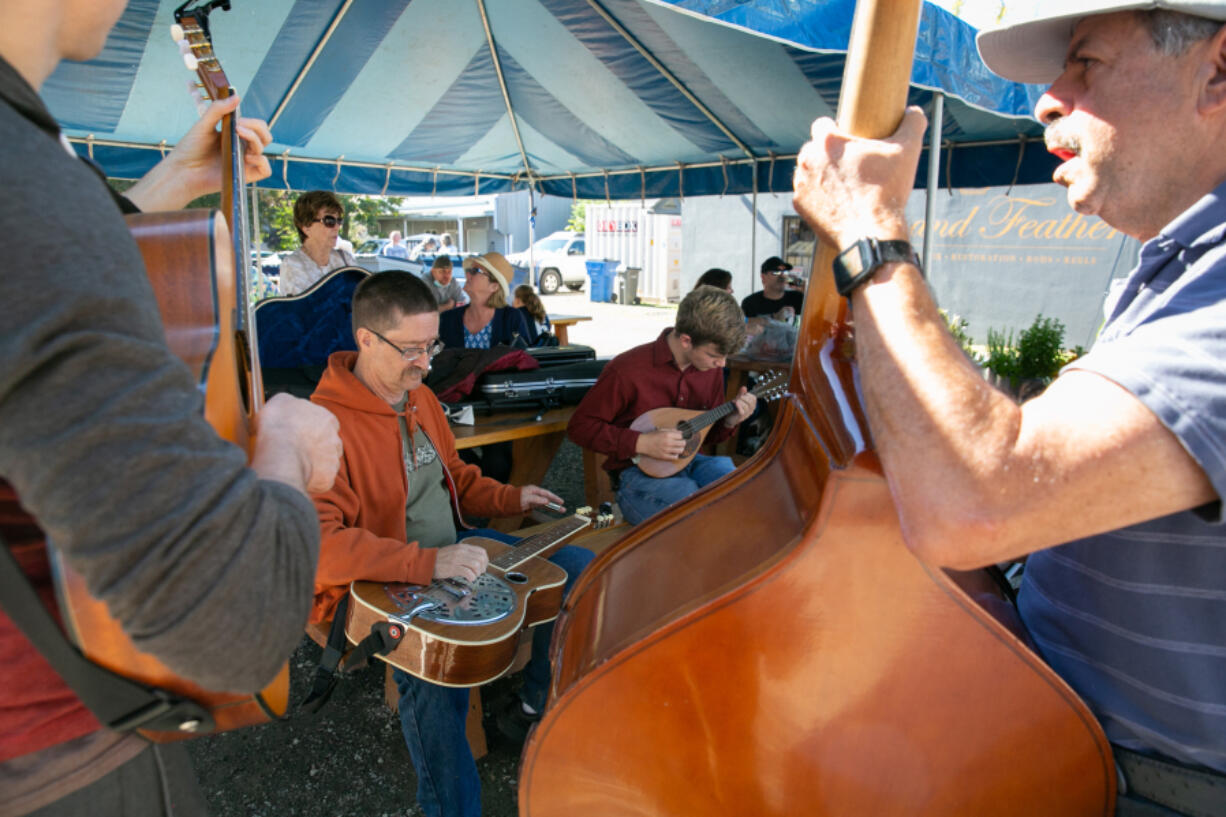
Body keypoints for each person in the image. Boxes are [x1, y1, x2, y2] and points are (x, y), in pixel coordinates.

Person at [791, 4, 1226, 815]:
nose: (1046, 100)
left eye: (1085, 64)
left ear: (1218, 70)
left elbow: (975, 503)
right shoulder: (1176, 263)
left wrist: (870, 231)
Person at [0, 2, 345, 814]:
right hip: (54, 761)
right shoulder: (23, 182)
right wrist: (287, 443)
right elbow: (231, 623)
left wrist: (163, 189)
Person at [308, 270, 593, 817]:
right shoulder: (322, 424)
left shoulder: (421, 398)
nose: (428, 361)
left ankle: (535, 695)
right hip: (386, 581)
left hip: (454, 550)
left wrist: (513, 498)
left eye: (433, 344)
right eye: (413, 349)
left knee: (578, 567)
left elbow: (457, 478)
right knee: (440, 680)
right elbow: (321, 547)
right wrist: (428, 561)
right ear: (366, 340)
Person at [568, 286, 756, 525]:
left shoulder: (710, 370)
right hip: (635, 474)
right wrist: (640, 442)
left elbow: (704, 435)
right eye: (714, 355)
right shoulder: (628, 369)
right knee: (693, 506)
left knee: (741, 490)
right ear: (686, 340)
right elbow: (579, 427)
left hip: (689, 462)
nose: (721, 364)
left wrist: (730, 421)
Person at [439, 253, 531, 349]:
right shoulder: (447, 319)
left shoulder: (512, 318)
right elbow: (433, 355)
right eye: (469, 270)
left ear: (494, 286)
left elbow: (525, 359)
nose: (467, 274)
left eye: (475, 271)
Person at [278, 190, 358, 295]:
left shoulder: (346, 260)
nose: (337, 227)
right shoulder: (293, 265)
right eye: (329, 221)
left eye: (339, 221)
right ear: (306, 227)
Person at [739, 256, 804, 319]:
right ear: (763, 277)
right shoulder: (750, 303)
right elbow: (745, 326)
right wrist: (775, 317)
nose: (782, 276)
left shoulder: (798, 298)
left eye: (785, 272)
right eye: (776, 272)